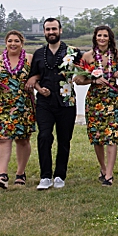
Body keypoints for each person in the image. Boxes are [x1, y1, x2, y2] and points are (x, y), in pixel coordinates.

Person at [25, 18, 80, 190]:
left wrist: (83, 78)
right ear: (44, 32)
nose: (51, 32)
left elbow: (86, 69)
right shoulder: (39, 54)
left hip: (66, 102)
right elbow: (34, 77)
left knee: (64, 139)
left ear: (60, 30)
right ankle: (46, 176)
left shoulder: (73, 52)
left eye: (54, 29)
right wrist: (39, 89)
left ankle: (59, 175)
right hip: (45, 102)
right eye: (48, 29)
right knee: (44, 136)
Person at [74, 25, 118, 186]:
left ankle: (109, 174)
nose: (102, 38)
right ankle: (103, 168)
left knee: (111, 136)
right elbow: (77, 79)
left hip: (112, 98)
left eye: (105, 36)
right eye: (99, 36)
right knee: (97, 137)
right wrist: (93, 80)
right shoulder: (88, 56)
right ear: (95, 38)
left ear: (110, 38)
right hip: (95, 99)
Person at [0, 30, 35, 188]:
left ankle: (20, 173)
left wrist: (34, 80)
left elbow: (38, 76)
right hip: (3, 105)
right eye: (10, 41)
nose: (13, 44)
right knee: (3, 138)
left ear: (22, 43)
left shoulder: (30, 59)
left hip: (23, 105)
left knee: (22, 140)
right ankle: (2, 175)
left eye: (16, 41)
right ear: (5, 42)